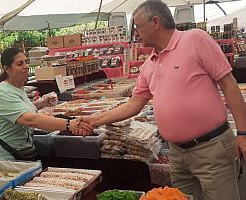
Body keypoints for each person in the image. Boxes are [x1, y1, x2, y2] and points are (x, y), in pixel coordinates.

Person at [80, 1, 246, 199]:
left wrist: (243, 133)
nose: (136, 34)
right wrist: (94, 120)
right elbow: (133, 104)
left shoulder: (195, 39)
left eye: (138, 27)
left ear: (156, 22)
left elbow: (229, 85)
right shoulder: (149, 64)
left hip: (211, 148)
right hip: (177, 153)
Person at [0, 47, 93, 160]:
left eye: (26, 62)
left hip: (19, 150)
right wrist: (69, 125)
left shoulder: (18, 87)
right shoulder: (4, 93)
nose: (26, 66)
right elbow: (29, 119)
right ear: (7, 69)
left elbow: (21, 109)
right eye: (20, 64)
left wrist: (41, 104)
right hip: (1, 155)